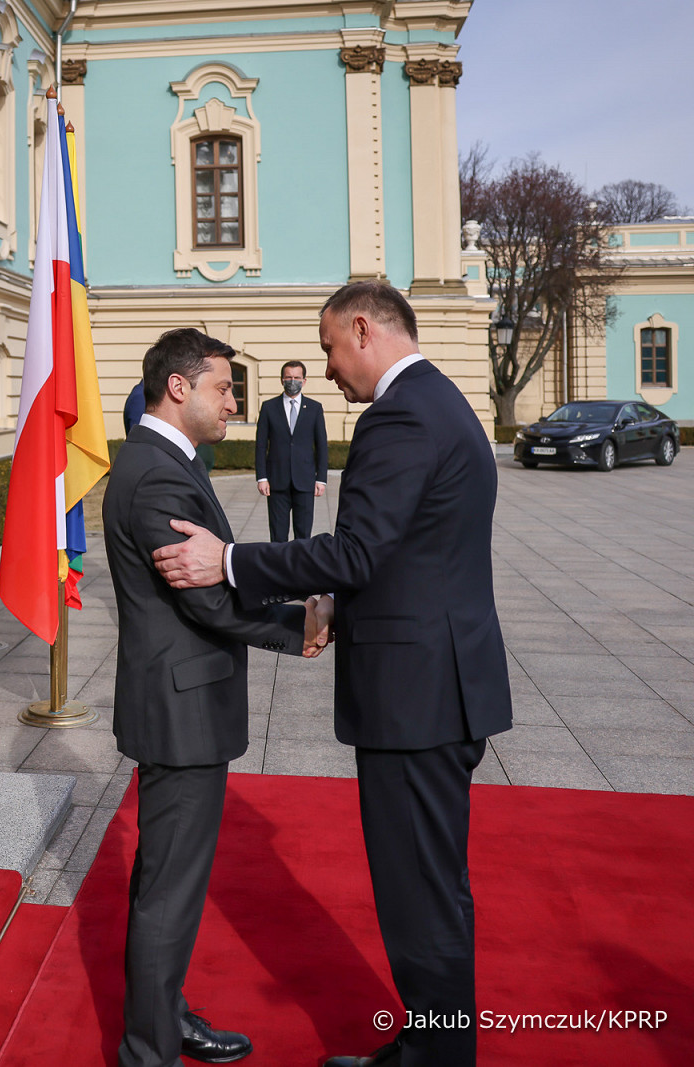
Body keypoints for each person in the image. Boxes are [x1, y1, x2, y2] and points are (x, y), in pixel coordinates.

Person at [155, 281, 514, 1067]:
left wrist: (231, 560)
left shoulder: (400, 414)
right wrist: (336, 608)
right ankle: (429, 1046)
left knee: (420, 897)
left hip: (416, 696)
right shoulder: (442, 400)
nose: (323, 368)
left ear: (362, 329)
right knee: (433, 886)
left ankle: (437, 1058)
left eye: (326, 348)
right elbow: (412, 554)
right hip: (441, 682)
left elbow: (356, 550)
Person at [104, 328, 326, 1067]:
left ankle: (163, 1018)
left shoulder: (164, 460)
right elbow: (204, 597)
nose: (234, 401)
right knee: (169, 891)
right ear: (179, 387)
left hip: (180, 701)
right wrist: (298, 625)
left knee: (166, 882)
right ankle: (149, 1052)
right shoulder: (157, 474)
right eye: (223, 388)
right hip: (182, 710)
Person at [254, 360, 328, 541]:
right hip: (277, 481)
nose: (292, 381)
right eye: (288, 377)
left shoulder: (315, 408)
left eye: (296, 377)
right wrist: (262, 477)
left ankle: (300, 561)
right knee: (278, 535)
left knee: (303, 535)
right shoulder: (269, 407)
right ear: (282, 380)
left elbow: (321, 445)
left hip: (305, 481)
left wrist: (321, 479)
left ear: (304, 381)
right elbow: (261, 445)